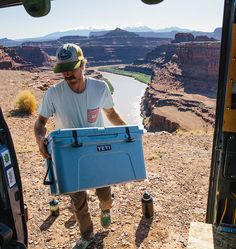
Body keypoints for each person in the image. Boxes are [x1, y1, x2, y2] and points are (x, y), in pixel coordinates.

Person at [34, 43, 126, 249]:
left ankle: (105, 208)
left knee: (104, 194)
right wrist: (40, 139)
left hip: (97, 152)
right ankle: (86, 235)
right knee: (78, 201)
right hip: (69, 155)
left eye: (72, 67)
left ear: (83, 64)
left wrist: (129, 133)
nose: (67, 73)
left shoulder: (99, 88)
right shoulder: (53, 93)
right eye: (63, 69)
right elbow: (40, 122)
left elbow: (110, 114)